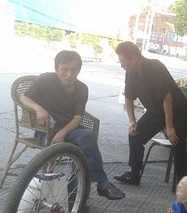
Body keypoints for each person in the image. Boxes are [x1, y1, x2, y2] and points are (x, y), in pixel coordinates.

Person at [20, 50, 125, 200]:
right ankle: (101, 184)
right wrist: (38, 108)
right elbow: (24, 97)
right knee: (85, 142)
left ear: (78, 71)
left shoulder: (82, 88)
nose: (69, 75)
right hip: (47, 131)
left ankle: (75, 199)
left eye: (73, 70)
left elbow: (77, 117)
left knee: (83, 147)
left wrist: (62, 133)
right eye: (64, 70)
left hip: (69, 130)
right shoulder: (46, 80)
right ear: (57, 68)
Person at [114, 41, 187, 186]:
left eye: (123, 61)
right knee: (135, 134)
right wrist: (132, 121)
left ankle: (183, 181)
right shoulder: (130, 72)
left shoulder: (155, 67)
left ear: (134, 58)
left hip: (177, 111)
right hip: (156, 111)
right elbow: (128, 97)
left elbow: (167, 98)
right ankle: (134, 174)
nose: (121, 65)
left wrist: (169, 127)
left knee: (176, 140)